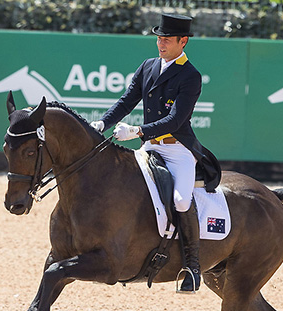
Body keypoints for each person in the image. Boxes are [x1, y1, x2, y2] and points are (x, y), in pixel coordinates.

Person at [91, 13, 221, 293]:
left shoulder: (190, 76)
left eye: (167, 40)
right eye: (159, 39)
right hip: (149, 147)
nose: (161, 44)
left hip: (177, 150)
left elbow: (175, 120)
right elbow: (127, 100)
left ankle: (192, 266)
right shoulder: (148, 67)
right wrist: (104, 122)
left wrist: (137, 131)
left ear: (182, 41)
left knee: (181, 200)